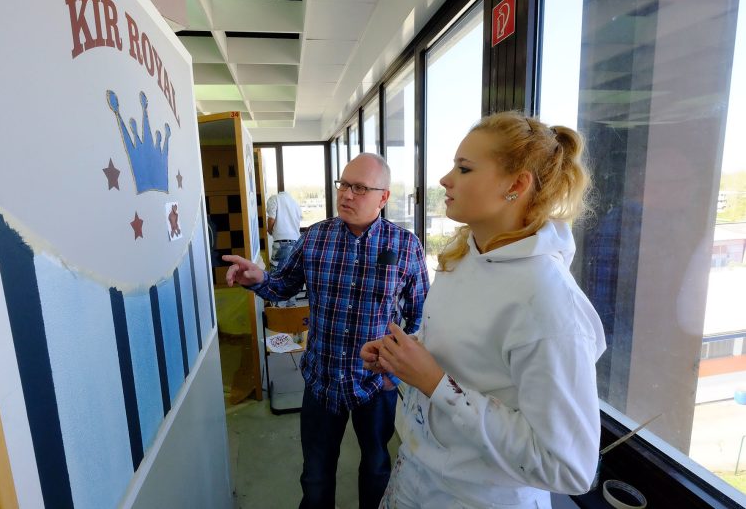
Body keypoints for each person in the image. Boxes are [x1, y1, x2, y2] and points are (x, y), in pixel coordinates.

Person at [361, 111, 606, 508]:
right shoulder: (462, 258)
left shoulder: (547, 302)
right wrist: (404, 361)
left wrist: (435, 383)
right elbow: (466, 358)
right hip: (416, 476)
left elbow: (569, 467)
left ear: (516, 184)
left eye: (464, 168)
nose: (445, 179)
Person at [223, 153, 429, 509]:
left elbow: (420, 318)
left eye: (360, 188)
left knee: (377, 469)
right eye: (344, 184)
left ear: (383, 198)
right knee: (316, 477)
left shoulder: (406, 246)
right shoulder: (316, 238)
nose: (347, 195)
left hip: (376, 385)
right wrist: (257, 279)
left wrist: (396, 374)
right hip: (322, 380)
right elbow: (282, 287)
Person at [266, 190, 303, 306]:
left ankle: (278, 310)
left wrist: (270, 230)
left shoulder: (274, 199)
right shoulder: (295, 203)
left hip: (282, 243)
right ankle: (291, 307)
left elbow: (271, 219)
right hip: (296, 243)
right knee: (292, 276)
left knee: (277, 276)